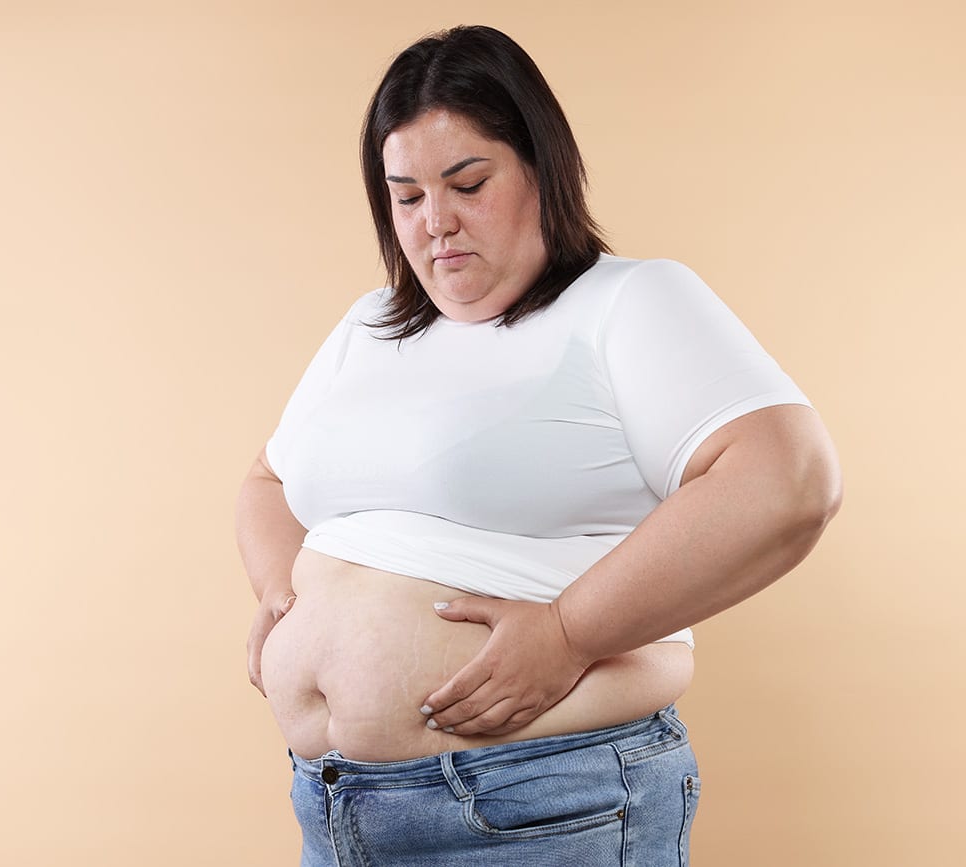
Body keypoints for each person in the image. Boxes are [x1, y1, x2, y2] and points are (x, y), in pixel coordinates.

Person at [235, 24, 842, 866]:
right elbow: (269, 480)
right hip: (335, 811)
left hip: (539, 803)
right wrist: (280, 593)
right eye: (406, 197)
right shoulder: (370, 326)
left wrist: (566, 631)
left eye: (467, 183)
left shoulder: (626, 303)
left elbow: (790, 478)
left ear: (543, 168)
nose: (436, 223)